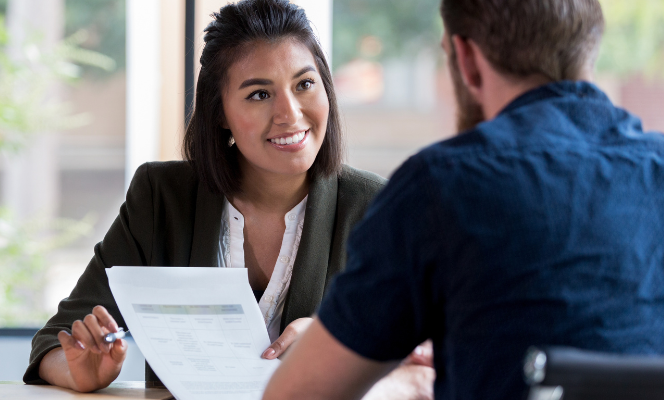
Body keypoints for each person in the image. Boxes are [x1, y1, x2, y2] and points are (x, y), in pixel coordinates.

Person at [24, 0, 433, 396]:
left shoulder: (376, 207)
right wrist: (80, 372)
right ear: (219, 112)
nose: (290, 114)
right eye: (259, 94)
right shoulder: (161, 198)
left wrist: (337, 345)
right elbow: (52, 344)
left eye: (305, 84)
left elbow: (431, 358)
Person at [263, 0, 664, 399]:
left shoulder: (440, 186)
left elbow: (295, 395)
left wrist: (404, 382)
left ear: (467, 59)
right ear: (591, 44)